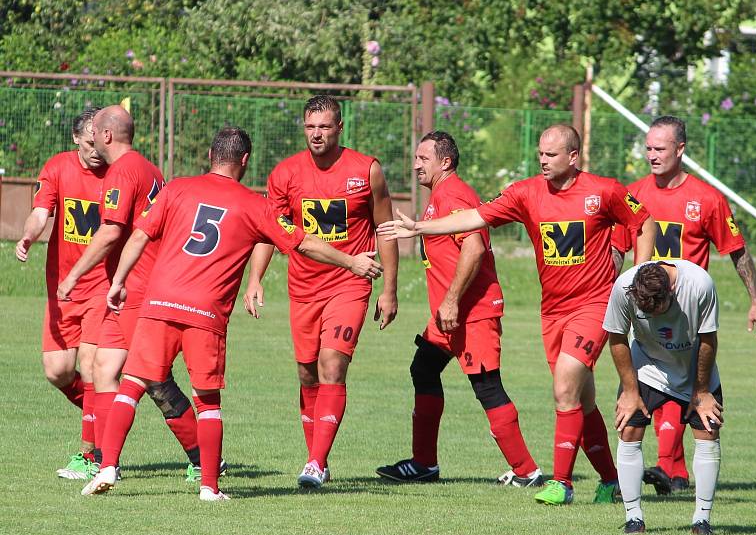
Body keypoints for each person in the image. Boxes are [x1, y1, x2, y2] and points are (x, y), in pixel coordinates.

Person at [81, 127, 384, 500]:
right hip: (205, 312)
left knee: (132, 385)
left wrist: (119, 281)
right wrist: (350, 261)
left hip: (158, 304)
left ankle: (107, 465)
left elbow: (140, 235)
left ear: (210, 155)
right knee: (206, 400)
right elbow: (303, 243)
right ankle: (209, 486)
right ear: (244, 160)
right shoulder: (255, 205)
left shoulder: (176, 188)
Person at [378, 124, 656, 504]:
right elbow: (475, 218)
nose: (543, 159)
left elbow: (643, 221)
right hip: (553, 310)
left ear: (573, 157)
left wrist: (635, 277)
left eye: (552, 154)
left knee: (563, 386)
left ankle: (560, 483)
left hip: (593, 304)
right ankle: (610, 480)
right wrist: (419, 228)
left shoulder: (603, 190)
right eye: (540, 153)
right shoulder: (525, 193)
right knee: (582, 399)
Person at [244, 95, 399, 488]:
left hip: (350, 284)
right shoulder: (285, 174)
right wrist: (256, 278)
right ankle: (318, 460)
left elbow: (385, 229)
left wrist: (390, 290)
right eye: (311, 126)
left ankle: (315, 461)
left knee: (333, 365)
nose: (317, 133)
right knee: (307, 372)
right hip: (303, 288)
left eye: (325, 126)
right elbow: (269, 230)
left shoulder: (366, 170)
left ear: (340, 128)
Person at [375, 131, 543, 486]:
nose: (416, 164)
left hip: (472, 311)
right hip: (448, 316)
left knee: (487, 386)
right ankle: (424, 464)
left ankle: (528, 471)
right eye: (416, 157)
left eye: (423, 158)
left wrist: (451, 300)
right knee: (423, 368)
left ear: (445, 162)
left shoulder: (453, 193)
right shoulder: (439, 195)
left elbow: (474, 247)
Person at [612, 116, 756, 495]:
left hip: (688, 314)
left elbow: (737, 251)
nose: (652, 155)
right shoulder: (632, 194)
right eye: (648, 148)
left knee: (686, 386)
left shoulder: (707, 198)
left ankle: (670, 471)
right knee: (641, 388)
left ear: (680, 149)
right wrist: (609, 295)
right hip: (644, 309)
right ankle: (653, 473)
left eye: (659, 148)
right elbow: (616, 251)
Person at [57, 105, 205, 481]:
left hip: (141, 288)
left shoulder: (123, 171)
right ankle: (105, 461)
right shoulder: (147, 167)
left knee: (155, 378)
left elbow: (110, 232)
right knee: (103, 369)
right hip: (127, 289)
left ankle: (203, 458)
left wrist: (73, 275)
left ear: (106, 136)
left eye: (95, 132)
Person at [16, 108, 107, 479]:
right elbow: (40, 213)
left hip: (103, 285)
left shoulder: (120, 172)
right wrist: (28, 235)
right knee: (57, 371)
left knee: (89, 367)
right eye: (89, 142)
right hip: (63, 289)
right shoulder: (58, 168)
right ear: (76, 139)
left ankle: (90, 456)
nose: (97, 150)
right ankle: (106, 413)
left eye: (102, 141)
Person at [603, 261, 723, 535]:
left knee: (708, 431)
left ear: (672, 290)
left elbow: (708, 339)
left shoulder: (700, 285)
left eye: (657, 311)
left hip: (694, 366)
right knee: (628, 428)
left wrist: (702, 392)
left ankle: (701, 520)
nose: (653, 318)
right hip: (647, 366)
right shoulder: (623, 287)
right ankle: (634, 518)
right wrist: (630, 392)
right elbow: (617, 337)